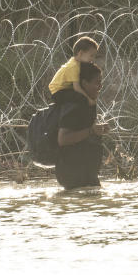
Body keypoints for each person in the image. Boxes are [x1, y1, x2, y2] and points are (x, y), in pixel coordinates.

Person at [55, 61, 109, 190]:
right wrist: (91, 131)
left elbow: (82, 130)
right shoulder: (74, 106)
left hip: (85, 172)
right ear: (84, 83)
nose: (100, 86)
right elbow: (63, 139)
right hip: (75, 173)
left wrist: (97, 130)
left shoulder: (86, 104)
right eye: (97, 82)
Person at [48, 36, 100, 105]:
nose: (93, 59)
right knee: (81, 97)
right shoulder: (74, 67)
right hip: (58, 92)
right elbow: (77, 88)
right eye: (91, 56)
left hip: (63, 90)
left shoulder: (75, 62)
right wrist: (89, 100)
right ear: (80, 53)